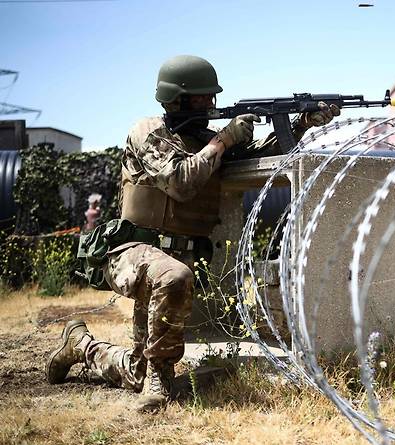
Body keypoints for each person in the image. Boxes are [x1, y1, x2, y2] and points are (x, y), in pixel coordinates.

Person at [45, 55, 339, 412]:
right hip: (132, 249)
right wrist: (223, 141)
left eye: (210, 97)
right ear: (174, 99)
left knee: (136, 369)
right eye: (200, 98)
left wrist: (302, 124)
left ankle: (81, 345)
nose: (209, 104)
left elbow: (264, 154)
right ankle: (160, 379)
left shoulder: (205, 140)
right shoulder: (148, 131)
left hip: (176, 256)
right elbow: (180, 182)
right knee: (174, 278)